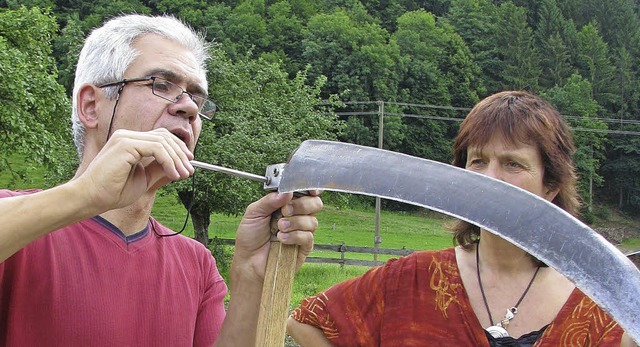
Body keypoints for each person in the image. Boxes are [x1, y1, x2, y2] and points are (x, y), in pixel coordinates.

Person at [0, 14, 322, 346]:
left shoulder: (195, 265)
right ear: (91, 106)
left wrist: (253, 278)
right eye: (161, 85)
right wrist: (85, 195)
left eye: (196, 97)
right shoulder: (19, 228)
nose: (189, 108)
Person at [287, 91, 637, 346]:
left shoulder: (606, 311)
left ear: (551, 185)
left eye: (513, 164)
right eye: (478, 161)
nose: (489, 178)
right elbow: (306, 325)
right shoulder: (410, 281)